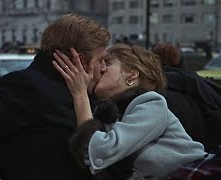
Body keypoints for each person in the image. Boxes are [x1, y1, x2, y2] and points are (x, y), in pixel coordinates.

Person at [0, 14, 110, 180]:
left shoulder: (88, 95)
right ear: (79, 61)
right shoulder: (30, 88)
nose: (103, 68)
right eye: (101, 60)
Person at [52, 44, 209, 179]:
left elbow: (99, 151)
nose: (101, 68)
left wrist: (80, 93)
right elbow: (91, 161)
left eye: (107, 62)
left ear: (131, 74)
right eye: (101, 62)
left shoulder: (151, 103)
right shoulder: (109, 112)